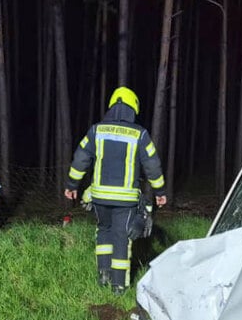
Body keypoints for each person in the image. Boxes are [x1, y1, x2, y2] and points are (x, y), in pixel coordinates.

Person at [64, 86, 168, 294]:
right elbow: (152, 166)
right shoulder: (140, 134)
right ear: (133, 108)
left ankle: (103, 274)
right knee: (121, 237)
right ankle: (118, 285)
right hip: (125, 199)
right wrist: (160, 192)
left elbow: (81, 158)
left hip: (99, 197)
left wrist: (72, 185)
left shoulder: (96, 130)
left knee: (103, 231)